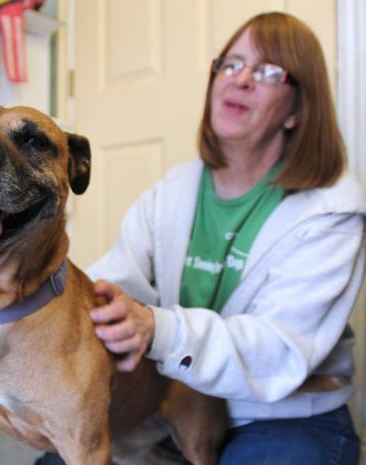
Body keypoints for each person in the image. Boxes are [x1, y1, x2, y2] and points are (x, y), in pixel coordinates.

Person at [36, 11, 365, 465]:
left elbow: (280, 350)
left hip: (282, 417)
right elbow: (117, 283)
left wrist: (157, 329)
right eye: (230, 64)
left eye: (268, 71)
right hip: (172, 403)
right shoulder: (172, 192)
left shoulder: (332, 210)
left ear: (297, 110)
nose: (240, 80)